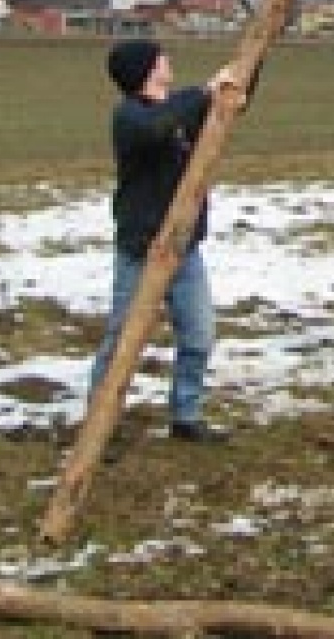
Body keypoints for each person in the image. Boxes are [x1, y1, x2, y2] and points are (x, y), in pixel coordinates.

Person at [91, 37, 246, 443]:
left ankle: (185, 415)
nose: (167, 62)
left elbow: (217, 107)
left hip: (183, 248)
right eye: (161, 59)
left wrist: (244, 71)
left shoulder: (174, 110)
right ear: (146, 71)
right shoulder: (130, 117)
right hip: (141, 248)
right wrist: (204, 91)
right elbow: (159, 125)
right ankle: (99, 427)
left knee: (199, 333)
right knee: (122, 340)